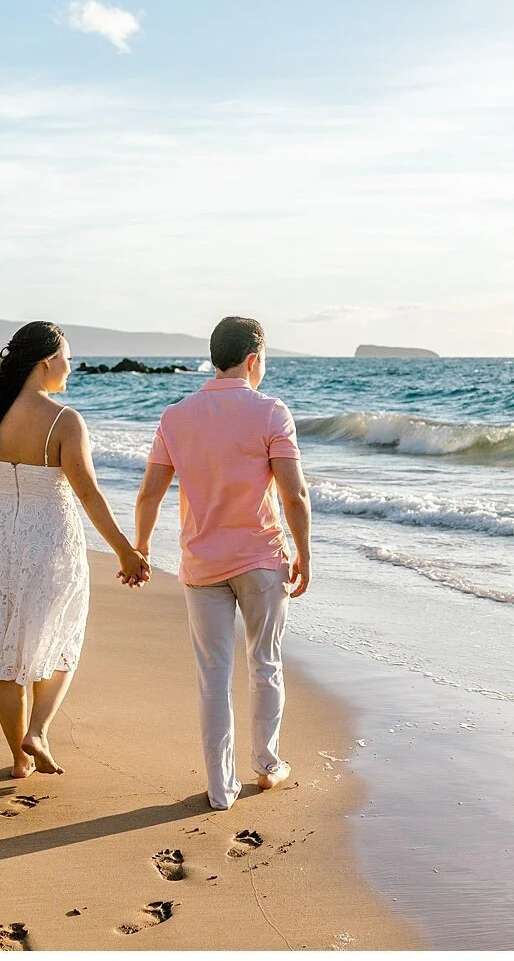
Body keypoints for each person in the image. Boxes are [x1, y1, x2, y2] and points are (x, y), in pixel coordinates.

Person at [0, 321, 150, 779]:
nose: (70, 368)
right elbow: (90, 495)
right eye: (67, 359)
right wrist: (124, 552)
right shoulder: (64, 420)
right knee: (58, 638)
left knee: (2, 653)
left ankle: (19, 760)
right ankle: (37, 730)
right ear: (46, 362)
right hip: (50, 541)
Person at [133, 316, 312, 810]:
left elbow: (150, 493)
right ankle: (268, 764)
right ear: (253, 360)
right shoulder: (271, 411)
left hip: (202, 564)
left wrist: (141, 549)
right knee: (265, 664)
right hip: (260, 559)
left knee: (213, 674)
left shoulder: (176, 415)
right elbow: (293, 495)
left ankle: (219, 787)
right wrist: (305, 553)